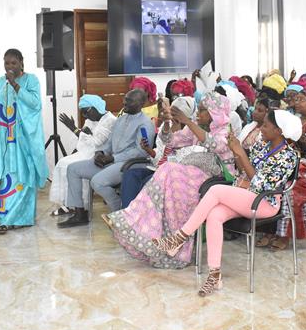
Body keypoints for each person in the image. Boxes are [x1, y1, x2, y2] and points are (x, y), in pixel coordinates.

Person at [150, 109, 301, 296]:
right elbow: (244, 169)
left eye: (266, 125)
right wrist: (236, 151)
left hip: (265, 202)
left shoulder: (288, 156)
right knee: (214, 215)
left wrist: (241, 154)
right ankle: (215, 276)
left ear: (279, 131)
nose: (261, 128)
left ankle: (178, 238)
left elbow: (263, 185)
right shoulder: (262, 145)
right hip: (246, 195)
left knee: (215, 190)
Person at [103, 92, 235, 268]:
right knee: (168, 173)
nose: (198, 113)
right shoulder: (196, 127)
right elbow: (170, 141)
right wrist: (166, 123)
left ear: (214, 113)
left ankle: (174, 246)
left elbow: (214, 145)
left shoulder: (224, 131)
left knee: (171, 173)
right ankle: (142, 227)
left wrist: (188, 122)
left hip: (217, 179)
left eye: (203, 110)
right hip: (193, 173)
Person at [59, 89, 155, 228]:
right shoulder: (121, 119)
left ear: (141, 103)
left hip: (130, 164)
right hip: (111, 161)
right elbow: (109, 142)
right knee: (73, 169)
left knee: (97, 182)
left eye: (129, 101)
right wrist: (100, 152)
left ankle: (121, 213)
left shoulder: (145, 123)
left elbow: (140, 152)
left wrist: (112, 158)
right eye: (125, 99)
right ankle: (80, 214)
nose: (124, 102)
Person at [261, 85, 306, 249]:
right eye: (295, 100)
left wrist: (285, 128)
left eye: (300, 99)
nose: (295, 103)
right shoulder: (295, 119)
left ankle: (286, 234)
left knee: (290, 182)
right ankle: (270, 227)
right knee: (267, 173)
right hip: (294, 159)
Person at [0, 48, 49, 234]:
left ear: (21, 62)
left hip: (22, 141)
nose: (10, 66)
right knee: (6, 178)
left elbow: (35, 103)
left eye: (13, 62)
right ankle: (5, 218)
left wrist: (15, 85)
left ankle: (19, 218)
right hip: (3, 141)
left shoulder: (31, 80)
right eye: (6, 63)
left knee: (21, 177)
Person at [118, 96, 197, 209]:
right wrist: (148, 150)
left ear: (186, 116)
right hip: (158, 168)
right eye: (172, 113)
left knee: (146, 182)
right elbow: (160, 154)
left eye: (177, 115)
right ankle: (126, 212)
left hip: (174, 174)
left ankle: (139, 217)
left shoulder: (193, 131)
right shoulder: (167, 126)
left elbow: (188, 159)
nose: (173, 117)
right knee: (131, 174)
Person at [49, 94, 117, 216]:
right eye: (83, 113)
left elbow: (96, 143)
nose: (85, 116)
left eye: (86, 112)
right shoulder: (90, 120)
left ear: (95, 108)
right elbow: (83, 140)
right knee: (62, 163)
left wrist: (74, 129)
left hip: (100, 156)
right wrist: (79, 134)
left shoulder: (110, 120)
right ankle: (67, 205)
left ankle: (81, 206)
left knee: (71, 165)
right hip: (86, 152)